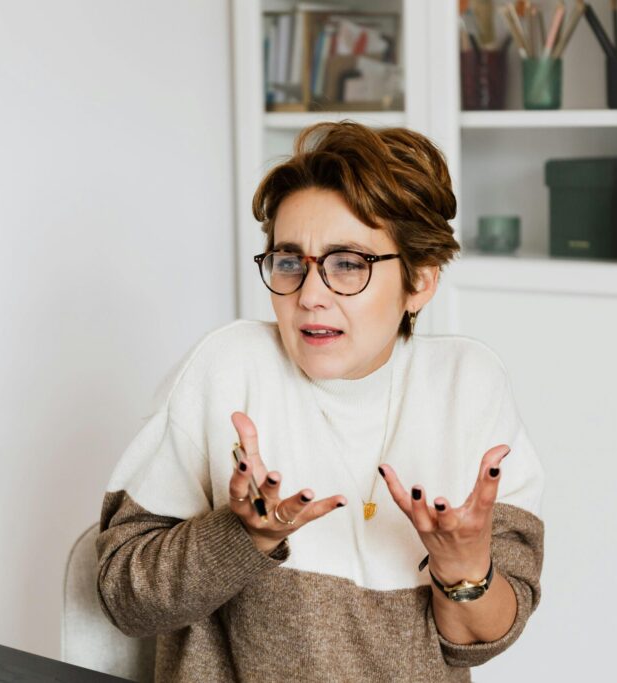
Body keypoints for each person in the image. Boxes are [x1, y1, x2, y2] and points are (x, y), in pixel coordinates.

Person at [96, 121, 545, 682]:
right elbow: (122, 599)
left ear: (421, 280)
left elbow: (477, 642)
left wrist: (463, 567)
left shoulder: (468, 385)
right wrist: (245, 536)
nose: (310, 296)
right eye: (290, 262)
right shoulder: (226, 368)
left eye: (348, 264)